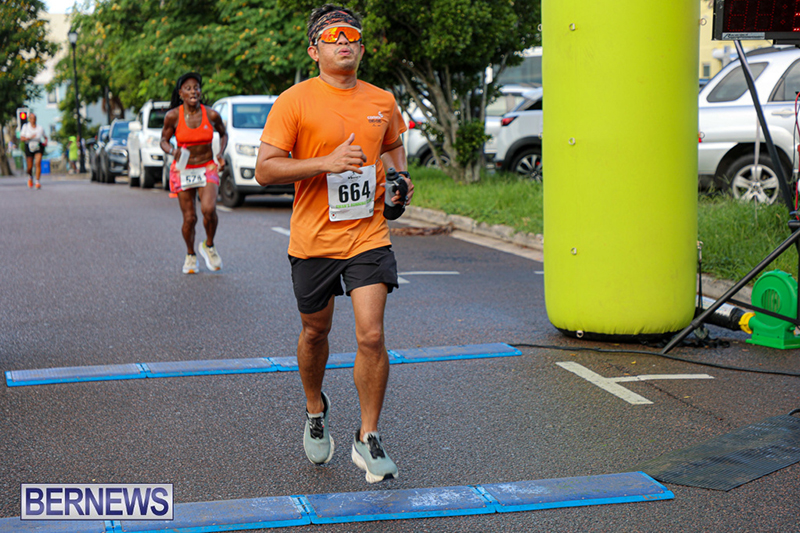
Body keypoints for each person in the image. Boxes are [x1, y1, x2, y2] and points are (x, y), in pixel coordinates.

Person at [255, 3, 414, 483]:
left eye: (352, 35)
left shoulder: (382, 100)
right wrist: (325, 162)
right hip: (313, 239)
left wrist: (402, 180)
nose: (344, 41)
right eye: (333, 35)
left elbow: (393, 147)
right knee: (315, 333)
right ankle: (314, 407)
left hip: (367, 234)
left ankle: (368, 438)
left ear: (362, 48)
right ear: (314, 50)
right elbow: (266, 170)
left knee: (371, 335)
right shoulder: (294, 101)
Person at [160, 72, 228, 274]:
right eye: (188, 88)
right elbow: (163, 141)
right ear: (180, 93)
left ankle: (209, 245)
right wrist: (173, 150)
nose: (193, 91)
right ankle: (190, 254)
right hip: (183, 169)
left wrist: (220, 154)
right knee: (190, 218)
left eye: (196, 87)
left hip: (207, 166)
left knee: (208, 209)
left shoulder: (211, 114)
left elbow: (223, 134)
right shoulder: (172, 116)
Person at [20, 113, 46, 189]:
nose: (33, 120)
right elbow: (22, 138)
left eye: (34, 118)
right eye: (31, 118)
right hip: (29, 145)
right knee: (30, 166)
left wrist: (45, 141)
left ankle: (37, 181)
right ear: (29, 119)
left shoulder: (40, 128)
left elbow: (45, 136)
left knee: (38, 163)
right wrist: (29, 137)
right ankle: (30, 177)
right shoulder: (26, 127)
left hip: (38, 145)